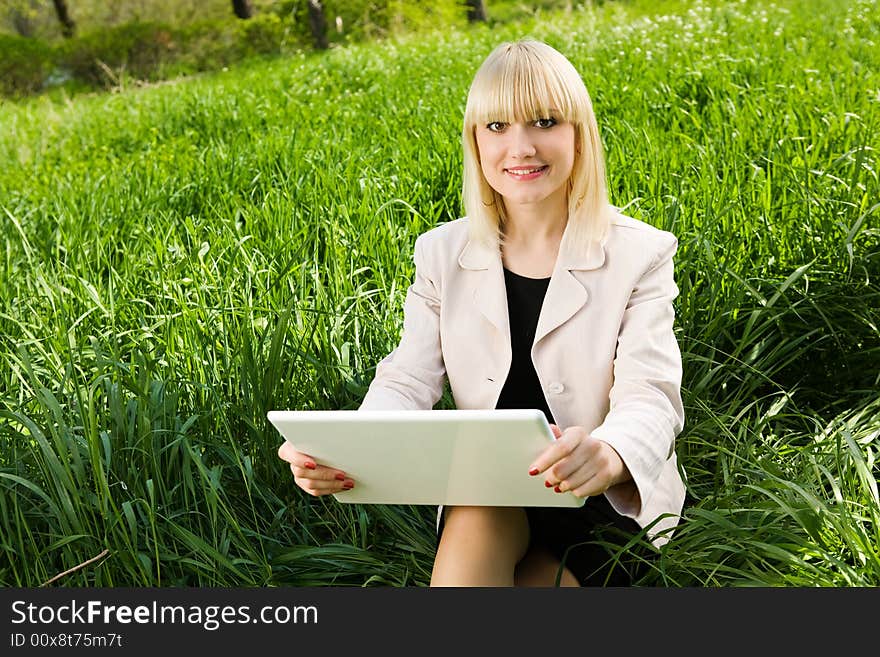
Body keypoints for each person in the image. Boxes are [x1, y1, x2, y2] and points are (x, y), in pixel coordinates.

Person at [277, 38, 686, 587]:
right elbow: (407, 378)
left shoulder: (640, 253)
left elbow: (650, 394)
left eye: (544, 121)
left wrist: (609, 453)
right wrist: (351, 448)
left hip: (599, 496)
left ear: (579, 134)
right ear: (475, 141)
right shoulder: (443, 253)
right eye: (496, 127)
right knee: (475, 515)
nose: (519, 148)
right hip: (491, 491)